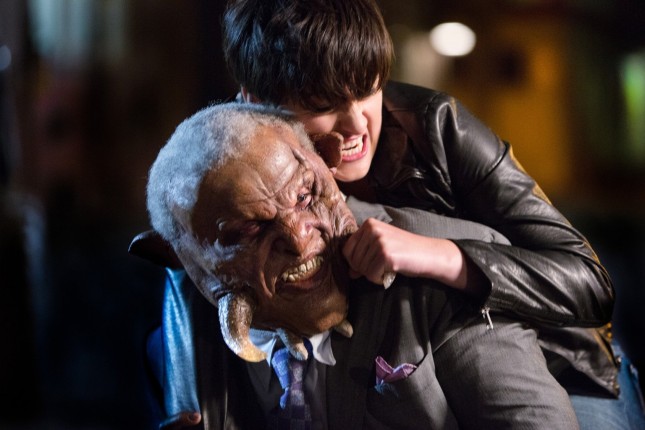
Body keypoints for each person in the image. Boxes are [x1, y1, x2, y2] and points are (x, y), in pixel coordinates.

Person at [218, 0, 645, 428]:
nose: (357, 125)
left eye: (368, 88)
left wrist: (437, 252)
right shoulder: (235, 159)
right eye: (324, 104)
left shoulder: (437, 129)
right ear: (256, 101)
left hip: (564, 366)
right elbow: (196, 268)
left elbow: (590, 284)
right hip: (414, 377)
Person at [140, 101, 589, 429]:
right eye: (248, 231)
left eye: (305, 196)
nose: (299, 240)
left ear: (328, 162)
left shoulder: (443, 267)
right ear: (184, 258)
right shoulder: (177, 351)